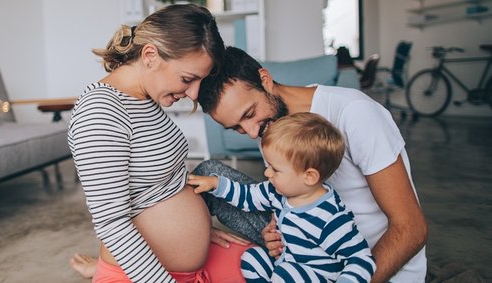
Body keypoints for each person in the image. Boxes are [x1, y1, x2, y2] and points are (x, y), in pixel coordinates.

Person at [193, 46, 428, 283]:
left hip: (365, 262)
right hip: (305, 251)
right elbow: (284, 197)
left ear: (265, 80)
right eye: (237, 128)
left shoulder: (354, 113)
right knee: (208, 174)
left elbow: (412, 230)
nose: (252, 132)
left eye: (249, 114)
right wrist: (275, 231)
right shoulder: (270, 127)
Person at [67, 4, 248, 282]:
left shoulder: (145, 98)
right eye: (188, 79)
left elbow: (156, 189)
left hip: (189, 261)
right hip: (146, 275)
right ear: (150, 55)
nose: (194, 93)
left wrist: (194, 233)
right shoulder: (101, 112)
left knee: (276, 266)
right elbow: (112, 223)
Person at [189, 112, 376, 282]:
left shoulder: (329, 218)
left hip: (316, 276)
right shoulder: (278, 191)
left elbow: (360, 259)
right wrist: (215, 184)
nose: (267, 173)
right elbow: (248, 196)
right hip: (285, 263)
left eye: (275, 169)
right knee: (252, 259)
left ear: (309, 176)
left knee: (286, 273)